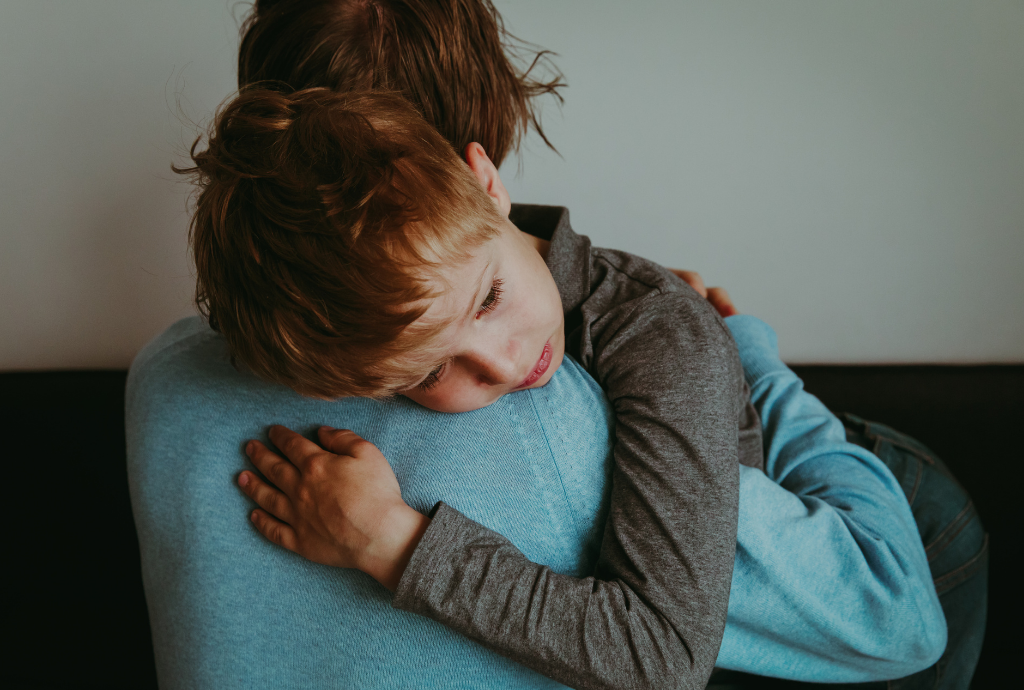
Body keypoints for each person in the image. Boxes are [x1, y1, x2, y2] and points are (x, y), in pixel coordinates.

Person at [176, 84, 949, 690]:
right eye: (432, 371)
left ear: (487, 184)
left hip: (914, 526)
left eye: (487, 300)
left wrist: (394, 544)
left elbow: (665, 657)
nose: (507, 365)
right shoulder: (402, 307)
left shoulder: (659, 334)